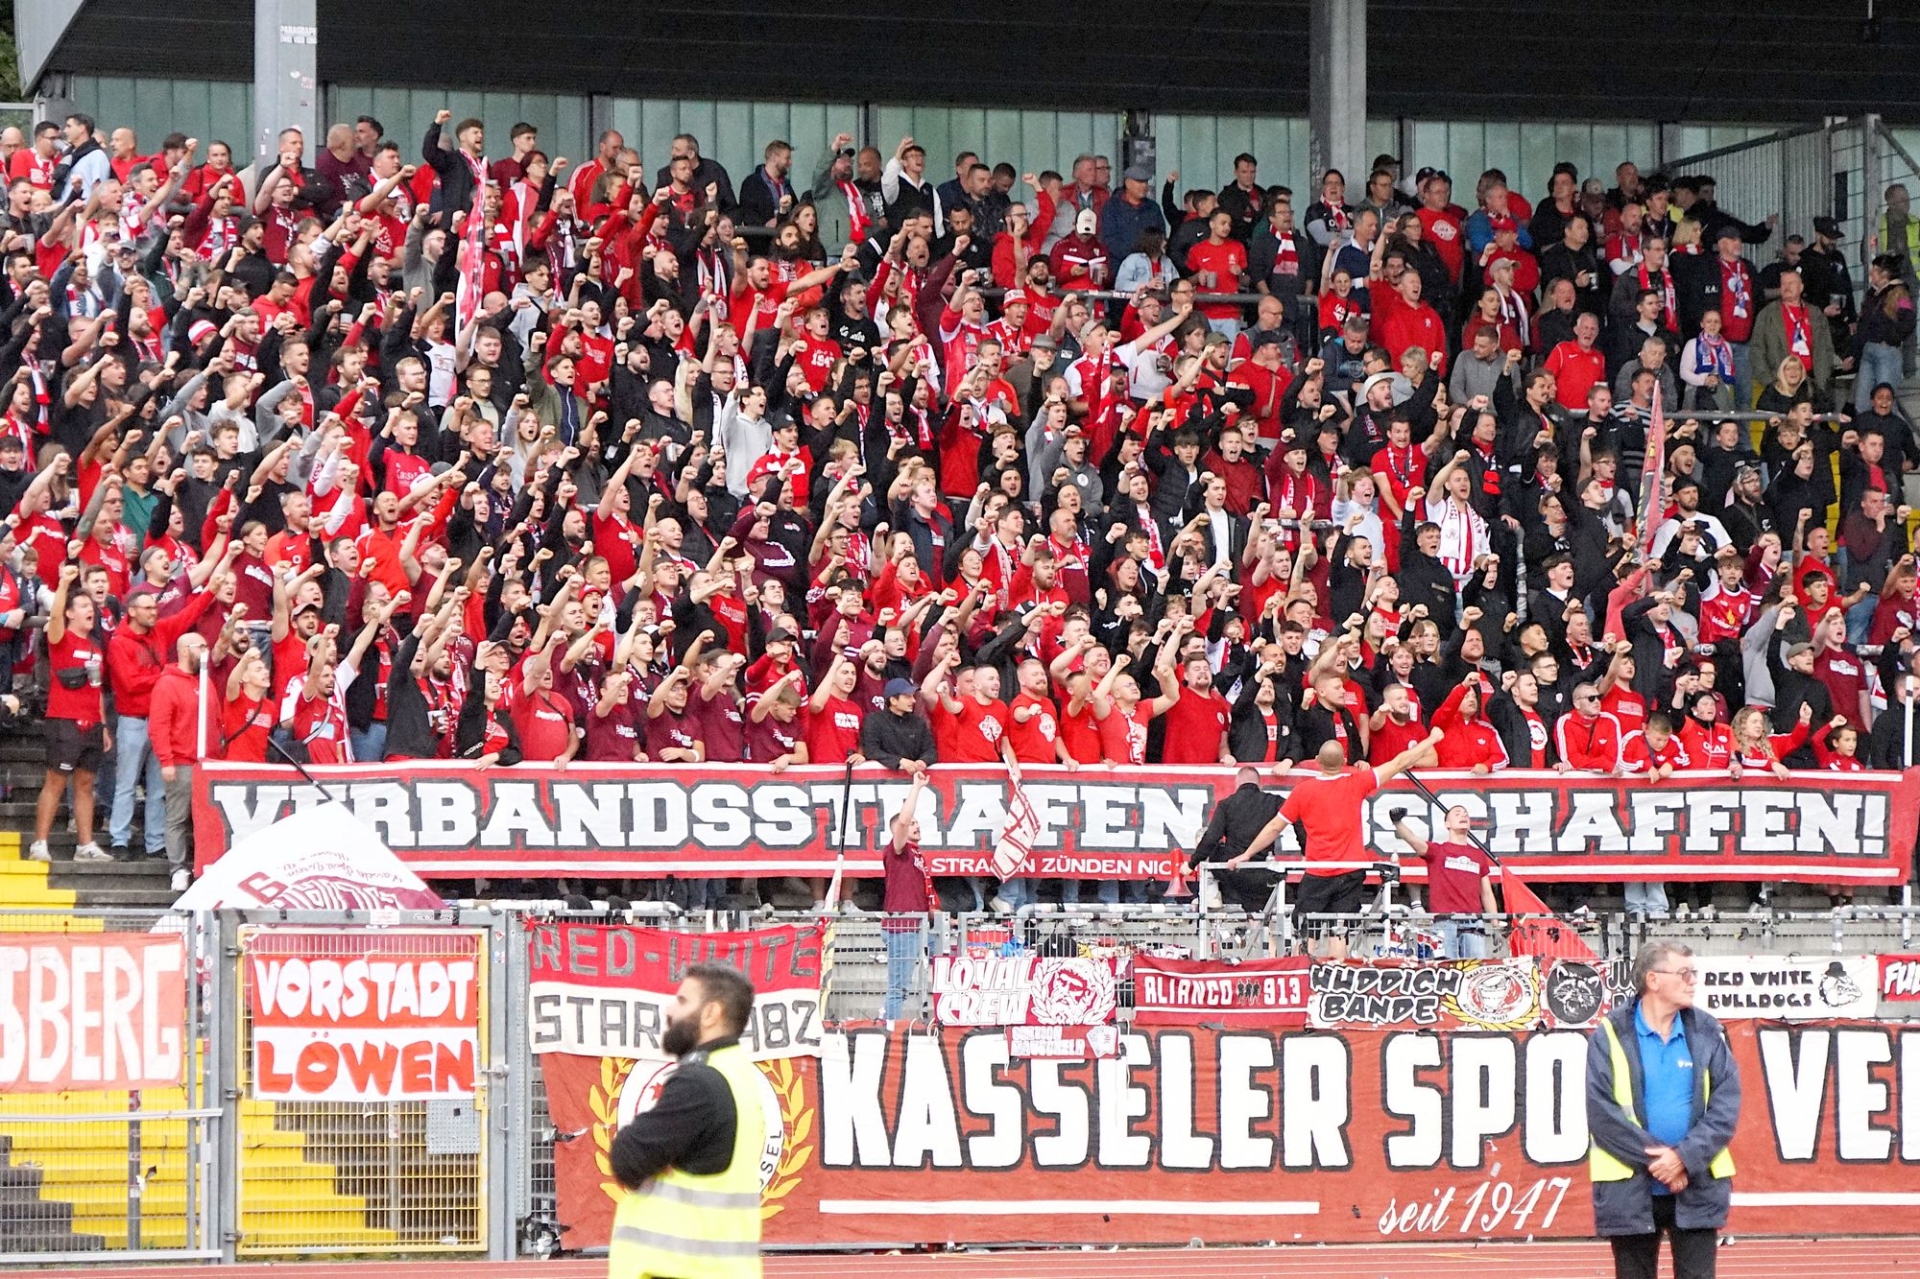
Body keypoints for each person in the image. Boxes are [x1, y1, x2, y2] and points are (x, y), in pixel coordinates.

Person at [1587, 940, 1741, 1279]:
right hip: (1630, 1189)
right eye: (1684, 973)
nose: (1692, 981)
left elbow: (1725, 1106)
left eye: (1694, 972)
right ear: (1653, 980)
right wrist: (1662, 1164)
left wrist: (1683, 1158)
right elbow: (1602, 1114)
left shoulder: (1708, 1031)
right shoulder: (1610, 1034)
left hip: (1697, 1185)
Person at [607, 963, 765, 1279]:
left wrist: (642, 1152)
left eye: (682, 1001)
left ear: (710, 1014)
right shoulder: (738, 1073)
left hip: (682, 1270)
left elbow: (627, 1159)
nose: (670, 1010)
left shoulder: (699, 1083)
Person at [1229, 728, 1442, 958]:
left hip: (1317, 871)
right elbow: (1400, 762)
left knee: (1306, 931)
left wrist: (1247, 854)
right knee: (1339, 931)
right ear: (1345, 761)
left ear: (1317, 761)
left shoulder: (1303, 791)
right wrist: (1432, 739)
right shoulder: (1357, 782)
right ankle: (1337, 973)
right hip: (1350, 870)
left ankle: (1303, 971)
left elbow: (1274, 827)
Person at [1388, 803, 1498, 957]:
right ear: (1447, 824)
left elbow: (1486, 892)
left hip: (1473, 922)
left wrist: (1495, 925)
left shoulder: (1478, 855)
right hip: (1445, 921)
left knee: (1475, 968)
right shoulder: (1439, 851)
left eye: (1466, 814)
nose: (1463, 816)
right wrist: (1397, 822)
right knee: (1445, 968)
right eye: (1457, 813)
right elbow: (1414, 841)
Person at [1190, 764, 1283, 912]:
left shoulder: (1226, 804)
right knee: (1258, 916)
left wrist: (1191, 864)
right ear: (1260, 784)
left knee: (1204, 837)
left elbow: (1211, 838)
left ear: (1237, 783)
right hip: (1264, 871)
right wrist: (1305, 850)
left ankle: (1211, 892)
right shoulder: (1275, 801)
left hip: (1233, 871)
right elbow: (1297, 818)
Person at [881, 769, 935, 1019]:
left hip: (920, 925)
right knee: (898, 987)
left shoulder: (917, 855)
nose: (916, 825)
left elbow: (923, 892)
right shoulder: (897, 851)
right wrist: (916, 788)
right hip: (902, 926)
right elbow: (901, 822)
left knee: (944, 963)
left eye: (917, 822)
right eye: (912, 823)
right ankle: (888, 1027)